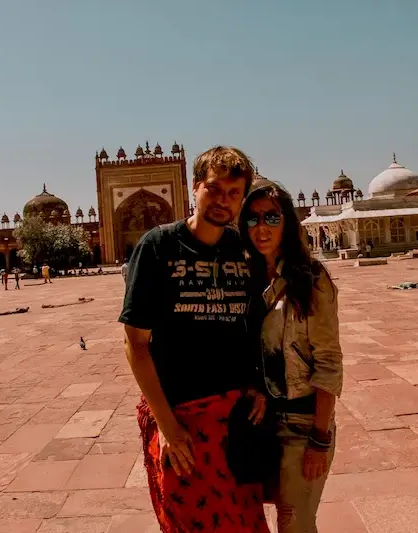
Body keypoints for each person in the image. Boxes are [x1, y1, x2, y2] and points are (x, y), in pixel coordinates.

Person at [120, 146, 270, 533]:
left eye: (233, 193)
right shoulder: (158, 247)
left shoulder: (245, 250)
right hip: (181, 419)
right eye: (214, 189)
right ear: (194, 187)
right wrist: (167, 426)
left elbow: (256, 329)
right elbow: (135, 344)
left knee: (245, 523)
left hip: (235, 421)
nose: (223, 200)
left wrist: (257, 384)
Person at [240, 181, 343, 533]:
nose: (262, 228)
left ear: (287, 221)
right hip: (261, 424)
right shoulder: (246, 280)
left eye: (271, 216)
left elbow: (329, 361)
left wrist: (319, 437)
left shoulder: (310, 279)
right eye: (252, 220)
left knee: (294, 524)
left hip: (303, 426)